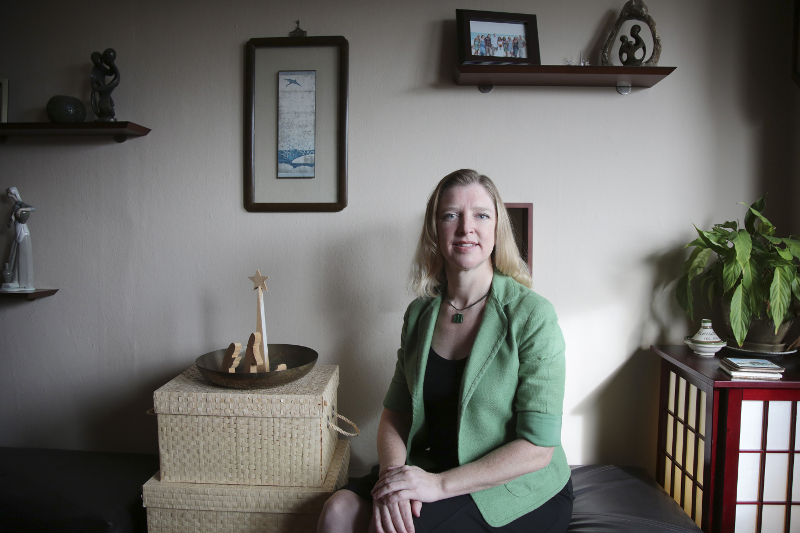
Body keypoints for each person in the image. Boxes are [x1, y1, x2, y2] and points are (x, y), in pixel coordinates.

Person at [318, 169, 571, 533]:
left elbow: (537, 447)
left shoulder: (533, 315)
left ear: (496, 228)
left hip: (513, 485)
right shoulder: (420, 313)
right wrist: (395, 480)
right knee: (337, 511)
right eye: (451, 214)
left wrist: (435, 486)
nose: (466, 227)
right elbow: (395, 414)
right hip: (432, 467)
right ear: (435, 229)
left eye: (481, 215)